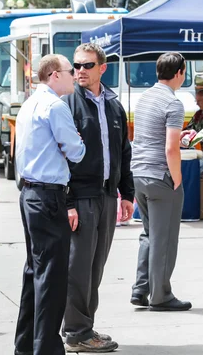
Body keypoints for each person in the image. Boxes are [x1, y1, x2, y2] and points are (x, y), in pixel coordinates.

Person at [61, 43, 134, 352]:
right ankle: (76, 333)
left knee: (96, 267)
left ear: (102, 68)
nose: (80, 71)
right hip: (81, 197)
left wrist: (127, 193)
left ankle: (85, 327)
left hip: (106, 196)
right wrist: (68, 202)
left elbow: (123, 152)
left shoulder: (113, 106)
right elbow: (60, 157)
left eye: (87, 66)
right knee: (78, 267)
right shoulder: (67, 104)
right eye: (76, 66)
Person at [14, 54, 86, 355]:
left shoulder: (30, 103)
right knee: (52, 276)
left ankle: (26, 345)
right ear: (55, 75)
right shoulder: (55, 106)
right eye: (72, 71)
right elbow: (77, 150)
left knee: (35, 272)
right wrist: (74, 144)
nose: (76, 75)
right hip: (47, 196)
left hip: (30, 194)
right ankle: (46, 348)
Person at [130, 52, 191, 312]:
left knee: (149, 234)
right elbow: (170, 148)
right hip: (160, 176)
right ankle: (161, 295)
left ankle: (141, 288)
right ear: (179, 73)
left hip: (139, 173)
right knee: (164, 239)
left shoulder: (145, 98)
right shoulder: (173, 103)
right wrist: (177, 178)